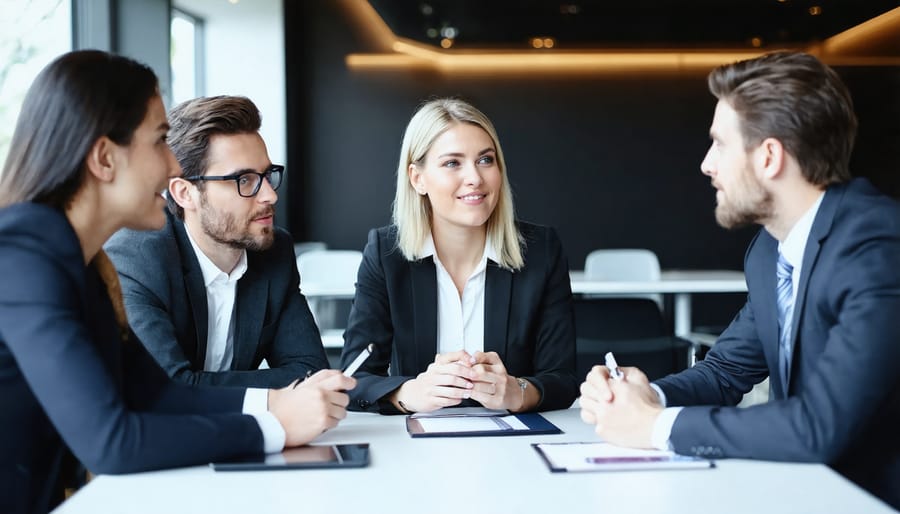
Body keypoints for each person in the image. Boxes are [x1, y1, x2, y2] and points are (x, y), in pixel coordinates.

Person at [0, 50, 355, 514]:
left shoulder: (81, 263)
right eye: (160, 141)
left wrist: (279, 412)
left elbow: (158, 394)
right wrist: (275, 425)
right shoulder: (24, 257)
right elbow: (112, 442)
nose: (173, 168)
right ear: (104, 158)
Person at [579, 51, 900, 509]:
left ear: (769, 156)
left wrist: (651, 427)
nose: (707, 165)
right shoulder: (771, 250)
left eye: (720, 144)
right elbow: (726, 371)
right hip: (809, 491)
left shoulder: (879, 245)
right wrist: (647, 395)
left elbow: (818, 428)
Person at [340, 98, 578, 414]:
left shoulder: (541, 250)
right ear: (417, 178)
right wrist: (410, 392)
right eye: (453, 163)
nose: (475, 178)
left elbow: (563, 378)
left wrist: (517, 391)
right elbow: (354, 377)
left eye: (485, 160)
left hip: (516, 444)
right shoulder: (386, 253)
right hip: (415, 447)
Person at [105, 95, 327, 388]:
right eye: (244, 180)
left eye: (267, 175)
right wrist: (273, 396)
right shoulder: (137, 258)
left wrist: (197, 384)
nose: (270, 196)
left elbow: (312, 371)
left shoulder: (273, 251)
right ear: (185, 194)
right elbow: (165, 388)